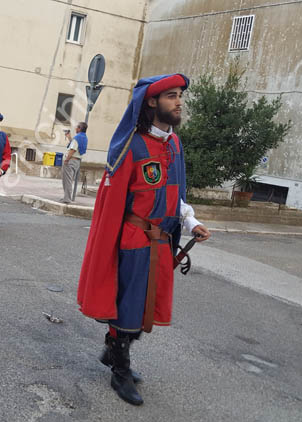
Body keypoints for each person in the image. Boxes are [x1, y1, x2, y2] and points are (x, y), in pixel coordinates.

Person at [77, 74, 211, 406]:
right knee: (129, 308)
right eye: (171, 96)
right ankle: (120, 370)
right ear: (151, 102)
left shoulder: (174, 144)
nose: (179, 102)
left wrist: (190, 221)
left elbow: (175, 193)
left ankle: (112, 353)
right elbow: (113, 203)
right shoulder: (131, 145)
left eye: (180, 96)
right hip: (134, 238)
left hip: (161, 241)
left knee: (145, 308)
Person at [61, 122, 88, 203]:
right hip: (77, 162)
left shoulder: (77, 137)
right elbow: (75, 144)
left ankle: (67, 199)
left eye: (77, 127)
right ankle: (66, 197)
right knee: (69, 179)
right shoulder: (84, 137)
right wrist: (69, 137)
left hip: (71, 160)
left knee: (67, 180)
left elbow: (73, 149)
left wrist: (66, 160)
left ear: (79, 128)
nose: (75, 128)